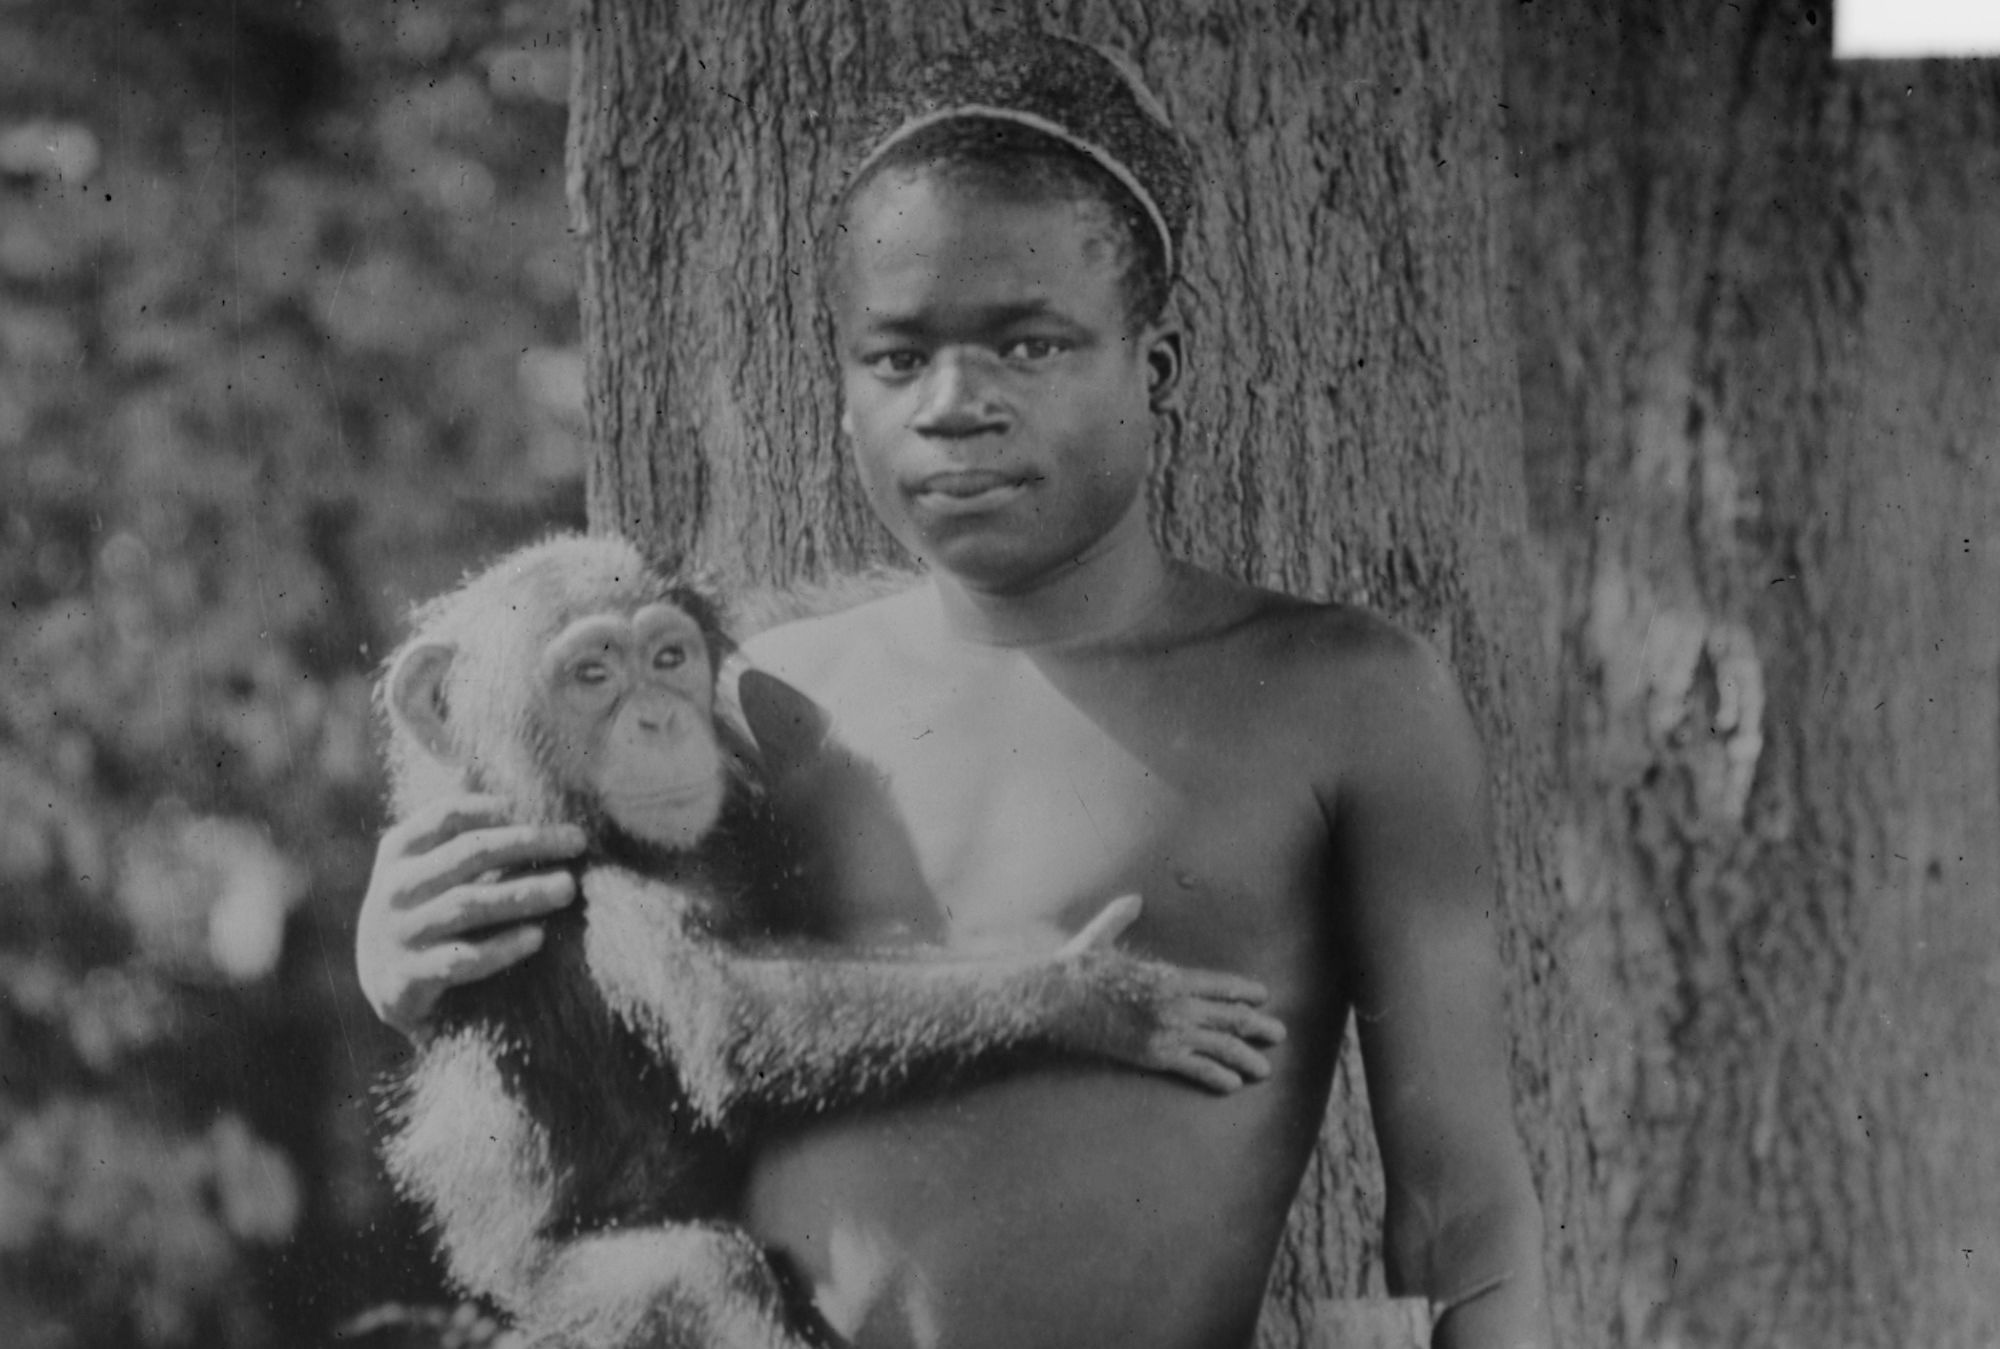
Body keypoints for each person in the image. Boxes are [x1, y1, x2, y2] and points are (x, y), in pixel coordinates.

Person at [356, 31, 1552, 1349]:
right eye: (897, 359)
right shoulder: (752, 698)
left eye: (1031, 348)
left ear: (1153, 368)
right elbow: (630, 1021)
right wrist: (407, 960)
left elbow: (1462, 1204)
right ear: (843, 398)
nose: (956, 404)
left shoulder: (1341, 694)